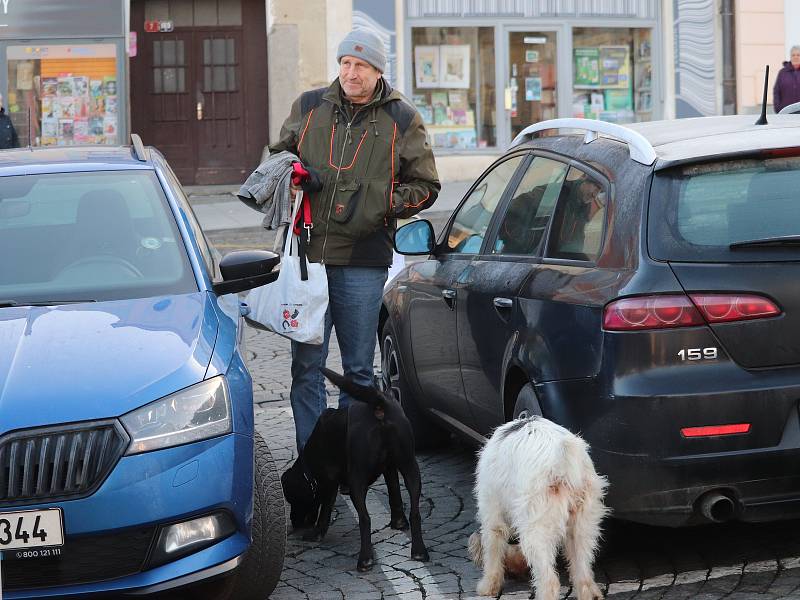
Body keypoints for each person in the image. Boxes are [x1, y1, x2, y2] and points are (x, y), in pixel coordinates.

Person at [270, 28, 440, 451]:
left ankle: (350, 457)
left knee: (358, 373)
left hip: (363, 262)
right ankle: (313, 461)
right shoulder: (310, 106)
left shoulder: (402, 118)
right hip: (308, 259)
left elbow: (426, 186)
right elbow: (279, 154)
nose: (350, 73)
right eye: (345, 63)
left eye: (360, 65)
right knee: (305, 367)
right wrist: (288, 177)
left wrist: (381, 203)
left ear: (377, 71)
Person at [773, 46, 800, 113]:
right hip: (786, 112)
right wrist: (778, 109)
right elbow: (776, 91)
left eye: (798, 55)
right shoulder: (782, 72)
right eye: (793, 55)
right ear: (790, 57)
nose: (795, 57)